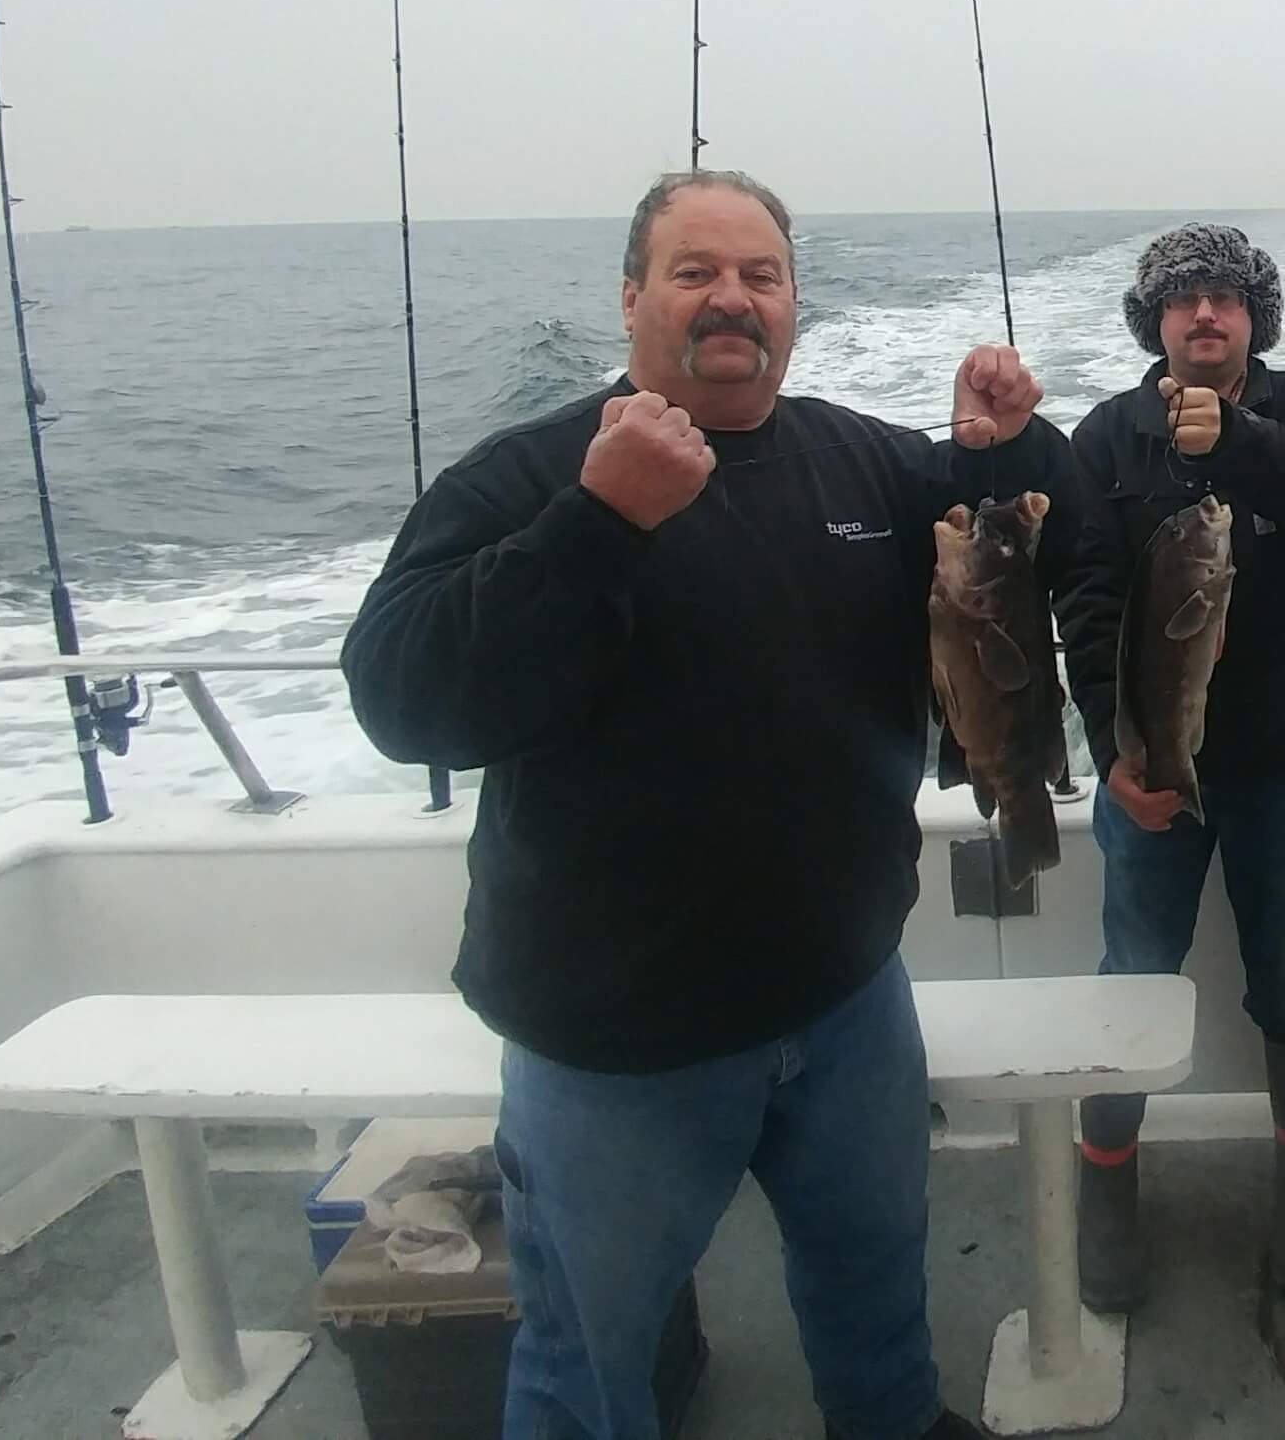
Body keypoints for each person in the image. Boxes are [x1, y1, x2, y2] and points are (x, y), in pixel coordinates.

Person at [340, 169, 1077, 1440]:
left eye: (761, 275)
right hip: (615, 1042)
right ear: (630, 298)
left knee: (874, 1289)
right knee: (586, 1359)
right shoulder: (527, 479)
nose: (731, 298)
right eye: (695, 272)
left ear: (793, 306)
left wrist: (1006, 447)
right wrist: (599, 520)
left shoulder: (864, 464)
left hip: (845, 1000)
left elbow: (1031, 556)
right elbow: (405, 703)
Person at [1053, 222, 1285, 1309]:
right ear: (1155, 322)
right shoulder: (1103, 438)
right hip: (1152, 771)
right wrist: (1112, 746)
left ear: (1251, 318)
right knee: (1133, 972)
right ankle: (1105, 1182)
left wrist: (1231, 439)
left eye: (1224, 296)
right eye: (1180, 299)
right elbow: (1085, 602)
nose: (1203, 314)